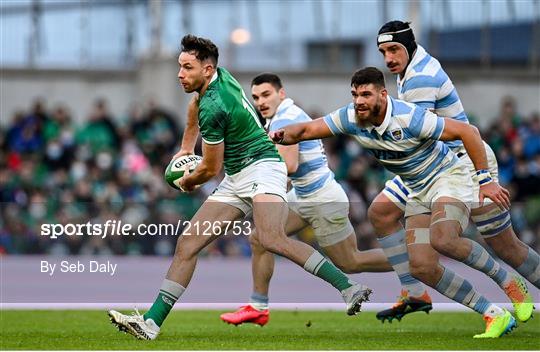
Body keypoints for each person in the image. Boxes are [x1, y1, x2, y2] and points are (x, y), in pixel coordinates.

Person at [107, 35, 372, 340]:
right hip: (238, 175)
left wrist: (186, 182)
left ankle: (349, 288)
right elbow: (194, 106)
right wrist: (183, 149)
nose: (180, 74)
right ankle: (151, 323)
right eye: (179, 66)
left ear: (207, 71)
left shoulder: (215, 106)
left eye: (187, 68)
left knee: (271, 237)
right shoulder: (219, 78)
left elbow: (209, 168)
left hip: (265, 167)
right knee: (188, 244)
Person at [269, 67, 519, 338]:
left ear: (383, 94)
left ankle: (507, 280)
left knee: (443, 239)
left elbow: (468, 132)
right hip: (415, 188)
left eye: (366, 94)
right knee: (421, 265)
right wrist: (281, 135)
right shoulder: (351, 117)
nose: (359, 101)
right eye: (355, 94)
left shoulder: (409, 117)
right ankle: (492, 312)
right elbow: (307, 129)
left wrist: (486, 180)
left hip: (448, 178)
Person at [371, 20, 535, 323]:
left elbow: (416, 136)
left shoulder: (420, 78)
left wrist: (485, 180)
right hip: (429, 169)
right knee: (412, 253)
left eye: (393, 49)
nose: (388, 58)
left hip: (464, 164)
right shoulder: (408, 69)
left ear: (408, 46)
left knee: (506, 247)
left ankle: (510, 285)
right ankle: (428, 294)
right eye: (383, 52)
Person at [220, 73, 394, 326]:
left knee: (351, 261)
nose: (260, 102)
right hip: (304, 195)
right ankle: (258, 306)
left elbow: (288, 166)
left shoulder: (285, 118)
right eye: (256, 97)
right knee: (261, 238)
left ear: (282, 94)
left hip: (322, 198)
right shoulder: (281, 117)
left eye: (266, 95)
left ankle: (416, 262)